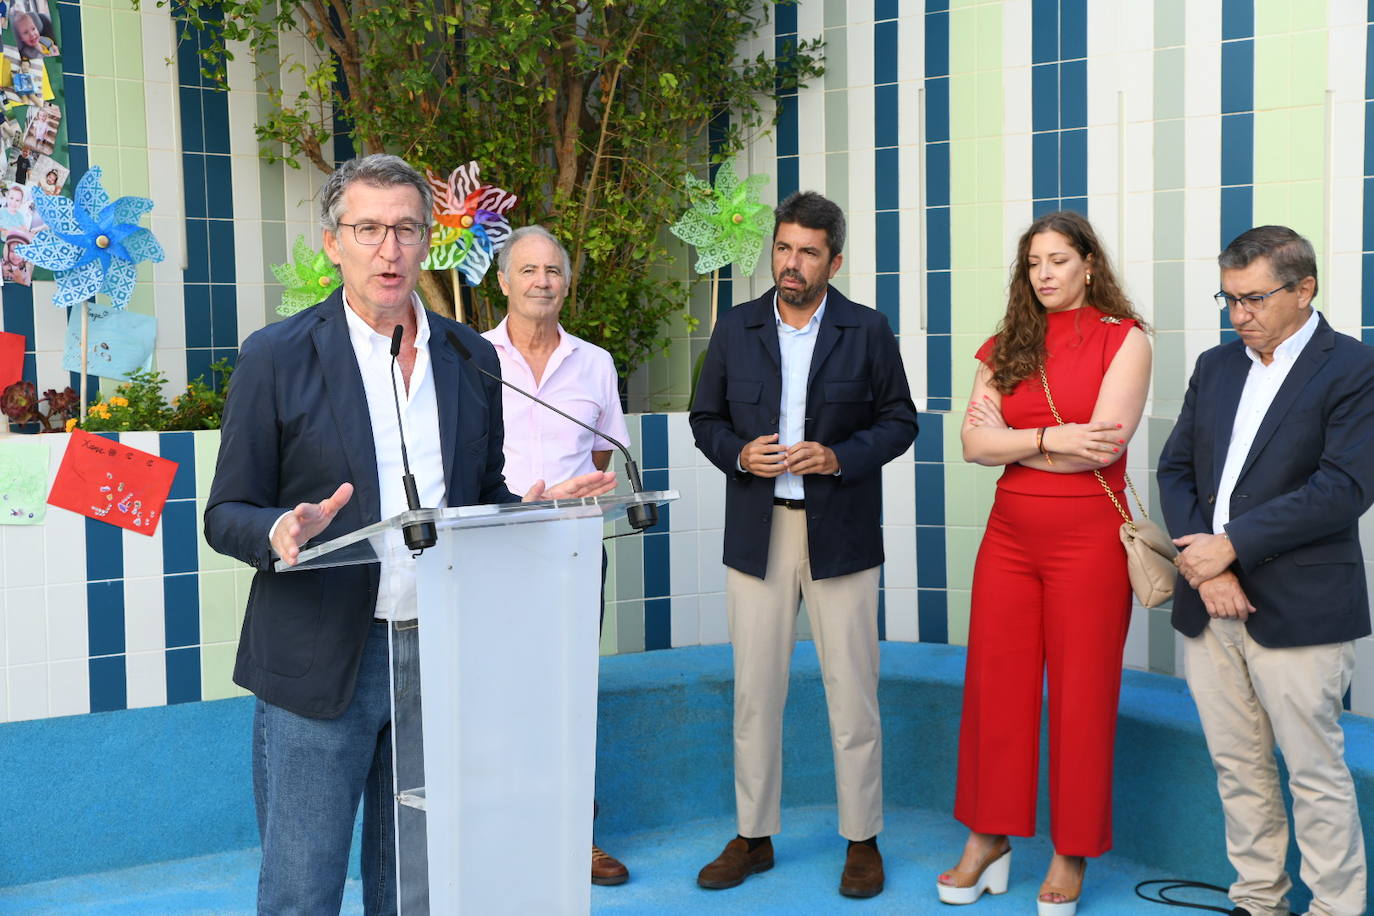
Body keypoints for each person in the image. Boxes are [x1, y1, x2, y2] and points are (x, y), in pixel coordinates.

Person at [203, 154, 615, 915]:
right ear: (333, 243)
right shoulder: (278, 355)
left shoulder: (467, 355)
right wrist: (279, 529)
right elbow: (224, 512)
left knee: (418, 887)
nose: (388, 249)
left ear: (429, 241)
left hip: (438, 652)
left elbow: (478, 493)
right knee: (302, 886)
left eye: (404, 229)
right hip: (321, 654)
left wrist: (533, 507)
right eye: (368, 229)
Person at [689, 190, 918, 899]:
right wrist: (737, 455)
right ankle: (754, 836)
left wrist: (840, 457)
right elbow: (705, 418)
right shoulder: (736, 327)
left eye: (807, 252)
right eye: (784, 248)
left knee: (853, 692)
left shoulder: (868, 329)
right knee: (757, 693)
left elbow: (900, 421)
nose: (791, 263)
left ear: (834, 260)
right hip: (759, 534)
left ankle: (862, 839)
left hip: (840, 534)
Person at [940, 211, 1150, 915]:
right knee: (994, 688)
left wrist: (1016, 438)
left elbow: (1104, 448)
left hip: (1088, 540)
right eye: (1035, 264)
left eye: (1060, 260)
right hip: (1008, 539)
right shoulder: (1008, 345)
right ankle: (988, 837)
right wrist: (1052, 435)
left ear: (1090, 264)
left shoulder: (1126, 341)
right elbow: (971, 445)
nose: (1047, 274)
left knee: (1082, 695)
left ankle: (1070, 850)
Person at [1157, 225, 1372, 916]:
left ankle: (1337, 908)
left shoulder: (1354, 368)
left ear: (1304, 288)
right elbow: (1175, 468)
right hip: (1207, 602)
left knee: (1315, 775)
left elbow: (1345, 486)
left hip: (1301, 606)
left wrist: (1233, 546)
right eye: (1228, 299)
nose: (1239, 314)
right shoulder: (1216, 368)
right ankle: (1258, 901)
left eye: (1253, 299)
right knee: (1238, 769)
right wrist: (1206, 564)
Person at [480, 223, 633, 888]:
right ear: (503, 282)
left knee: (569, 693)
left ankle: (577, 834)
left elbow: (602, 456)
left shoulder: (595, 362)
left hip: (573, 550)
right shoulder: (470, 357)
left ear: (567, 283)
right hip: (491, 550)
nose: (542, 281)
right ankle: (498, 831)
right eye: (529, 270)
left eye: (554, 271)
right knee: (493, 692)